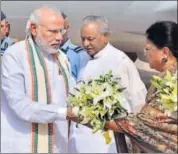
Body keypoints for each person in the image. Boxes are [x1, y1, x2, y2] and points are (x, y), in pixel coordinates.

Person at [1, 6, 77, 153]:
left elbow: (73, 94)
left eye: (61, 31)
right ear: (34, 29)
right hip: (23, 145)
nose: (59, 37)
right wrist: (64, 113)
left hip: (57, 146)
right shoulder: (15, 55)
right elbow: (21, 106)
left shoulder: (62, 58)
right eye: (53, 31)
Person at [69, 15, 147, 153]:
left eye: (90, 39)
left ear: (105, 36)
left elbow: (137, 101)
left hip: (106, 143)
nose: (86, 43)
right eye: (83, 39)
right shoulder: (83, 59)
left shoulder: (120, 61)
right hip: (79, 140)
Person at [107, 21, 178, 153]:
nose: (145, 53)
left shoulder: (171, 83)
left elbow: (145, 126)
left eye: (148, 49)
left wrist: (96, 118)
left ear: (165, 53)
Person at [60, 12, 90, 80]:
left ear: (68, 29)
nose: (58, 35)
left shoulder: (79, 55)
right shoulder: (45, 53)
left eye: (61, 31)